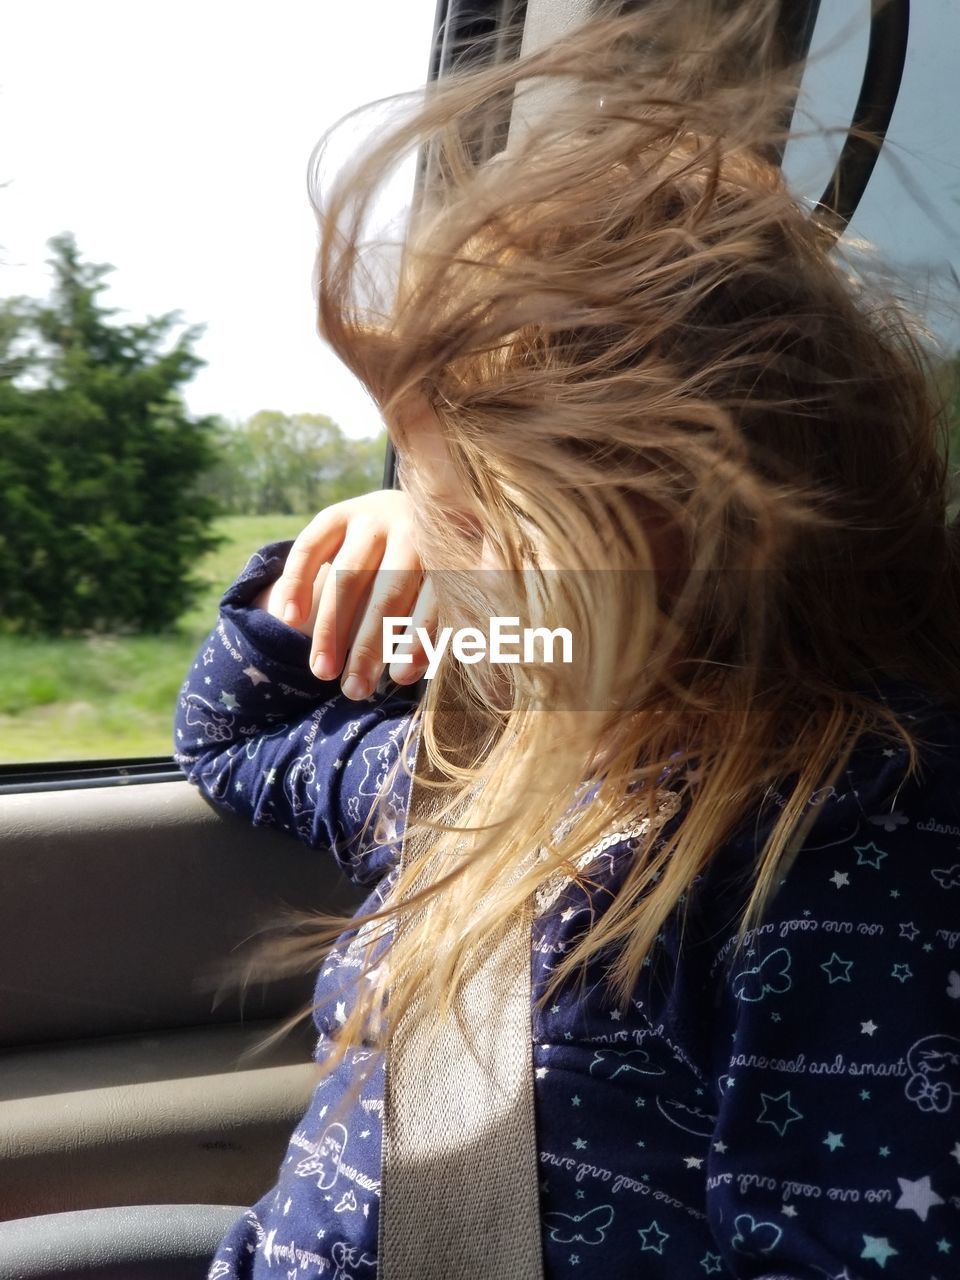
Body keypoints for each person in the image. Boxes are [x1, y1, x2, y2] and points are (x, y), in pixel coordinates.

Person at [174, 1, 960, 1275]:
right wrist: (330, 563)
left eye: (468, 513)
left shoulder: (844, 836)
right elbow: (232, 734)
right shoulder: (480, 758)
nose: (435, 557)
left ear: (702, 522)